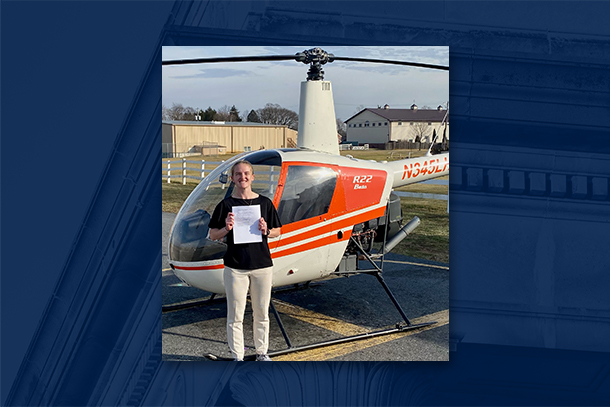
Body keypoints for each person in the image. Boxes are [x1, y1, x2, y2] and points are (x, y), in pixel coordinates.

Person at [209, 160, 282, 361]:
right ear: (232, 178)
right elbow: (213, 235)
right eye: (238, 174)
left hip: (262, 266)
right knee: (235, 315)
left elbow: (278, 230)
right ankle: (237, 356)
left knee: (261, 313)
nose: (243, 177)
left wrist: (266, 229)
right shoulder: (225, 205)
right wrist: (227, 228)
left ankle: (261, 353)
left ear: (253, 176)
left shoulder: (265, 203)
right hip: (235, 267)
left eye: (246, 173)